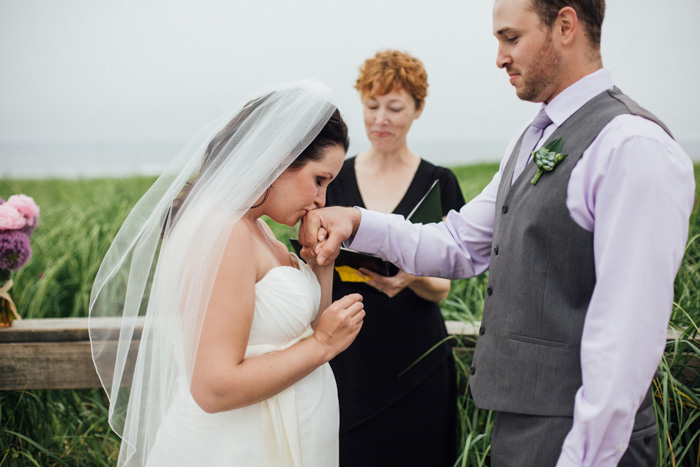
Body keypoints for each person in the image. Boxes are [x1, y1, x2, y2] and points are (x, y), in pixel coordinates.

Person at [299, 1, 696, 466]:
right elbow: (458, 243)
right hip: (516, 432)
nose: (499, 58)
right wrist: (357, 222)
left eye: (510, 38)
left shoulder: (632, 147)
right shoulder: (532, 139)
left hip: (584, 443)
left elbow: (626, 336)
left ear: (565, 25)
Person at [89, 80, 365, 467]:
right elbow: (214, 387)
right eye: (319, 180)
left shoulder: (260, 228)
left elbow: (298, 330)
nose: (322, 200)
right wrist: (322, 345)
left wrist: (321, 264)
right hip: (238, 449)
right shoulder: (225, 230)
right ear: (280, 160)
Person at [325, 50, 464, 466]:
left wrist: (410, 277)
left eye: (395, 107)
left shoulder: (439, 182)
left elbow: (442, 287)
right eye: (372, 106)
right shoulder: (333, 179)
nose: (380, 119)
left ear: (418, 109)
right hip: (347, 361)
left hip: (418, 360)